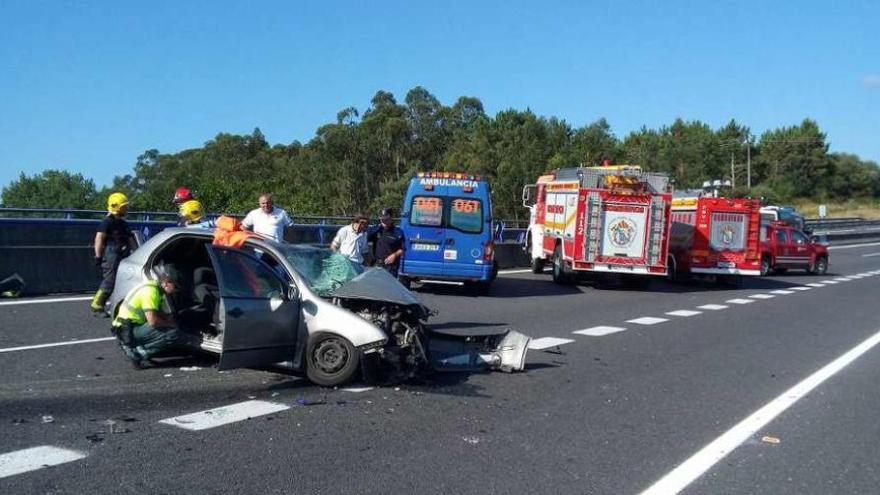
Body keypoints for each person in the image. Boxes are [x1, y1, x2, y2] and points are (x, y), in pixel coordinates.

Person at [111, 266, 186, 369]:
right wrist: (170, 323)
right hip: (127, 330)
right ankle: (137, 354)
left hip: (126, 327)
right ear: (167, 283)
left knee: (169, 325)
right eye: (175, 287)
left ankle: (135, 349)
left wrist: (168, 317)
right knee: (174, 332)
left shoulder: (152, 287)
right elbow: (153, 321)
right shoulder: (151, 292)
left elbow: (156, 313)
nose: (175, 291)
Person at [91, 192, 137, 314]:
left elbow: (130, 239)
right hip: (110, 254)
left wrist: (137, 253)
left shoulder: (122, 223)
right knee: (110, 281)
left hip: (121, 254)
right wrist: (98, 255)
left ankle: (118, 305)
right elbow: (99, 239)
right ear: (116, 207)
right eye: (124, 207)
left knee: (122, 280)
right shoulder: (107, 222)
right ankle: (97, 304)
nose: (126, 209)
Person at [367, 208, 406, 277]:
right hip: (377, 265)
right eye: (382, 219)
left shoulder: (398, 232)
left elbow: (403, 249)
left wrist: (394, 255)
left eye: (386, 219)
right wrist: (378, 227)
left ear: (391, 218)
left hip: (391, 266)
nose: (384, 221)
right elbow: (366, 237)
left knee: (389, 287)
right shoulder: (375, 229)